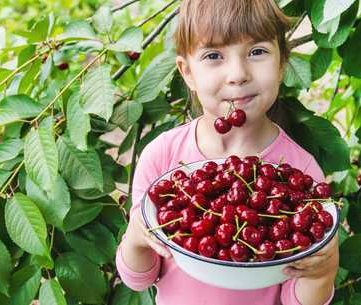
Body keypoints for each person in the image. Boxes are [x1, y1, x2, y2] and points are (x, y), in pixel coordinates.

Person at [116, 0, 339, 304]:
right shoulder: (161, 156)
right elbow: (138, 278)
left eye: (257, 51)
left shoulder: (300, 173)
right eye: (214, 55)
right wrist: (137, 238)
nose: (238, 74)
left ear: (283, 64)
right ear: (188, 74)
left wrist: (323, 271)